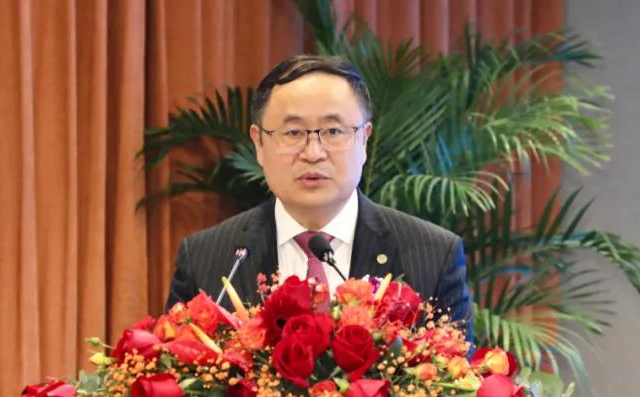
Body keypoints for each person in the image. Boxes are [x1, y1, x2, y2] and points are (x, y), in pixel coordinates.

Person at [165, 54, 473, 333]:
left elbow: (455, 374)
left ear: (364, 140)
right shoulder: (207, 258)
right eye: (293, 132)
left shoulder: (433, 255)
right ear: (259, 143)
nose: (313, 153)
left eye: (333, 131)